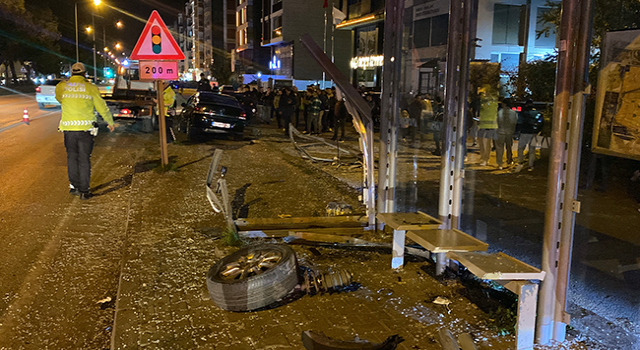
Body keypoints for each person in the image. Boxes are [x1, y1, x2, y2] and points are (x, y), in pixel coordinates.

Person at [55, 62, 116, 200]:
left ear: (72, 73)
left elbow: (60, 99)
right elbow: (101, 106)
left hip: (68, 129)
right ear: (84, 74)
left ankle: (74, 187)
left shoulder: (62, 86)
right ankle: (84, 191)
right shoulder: (90, 87)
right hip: (85, 129)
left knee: (72, 157)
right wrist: (109, 121)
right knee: (84, 159)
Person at [515, 99, 543, 172]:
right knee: (532, 150)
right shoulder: (538, 113)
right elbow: (541, 122)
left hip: (524, 132)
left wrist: (518, 131)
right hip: (534, 133)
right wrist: (537, 131)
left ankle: (520, 162)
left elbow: (519, 122)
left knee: (521, 148)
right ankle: (531, 165)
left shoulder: (523, 112)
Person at [476, 85, 499, 166]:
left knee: (485, 144)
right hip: (486, 125)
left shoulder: (486, 102)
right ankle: (484, 158)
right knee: (484, 144)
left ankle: (485, 159)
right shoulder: (492, 102)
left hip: (488, 126)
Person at [495, 98, 518, 169]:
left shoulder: (500, 112)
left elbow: (497, 121)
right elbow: (515, 123)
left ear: (504, 104)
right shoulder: (513, 113)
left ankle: (500, 163)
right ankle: (509, 160)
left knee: (499, 148)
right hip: (509, 132)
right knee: (509, 147)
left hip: (500, 132)